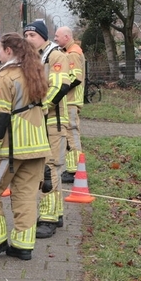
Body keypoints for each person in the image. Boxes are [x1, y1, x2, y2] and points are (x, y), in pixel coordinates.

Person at [0, 32, 51, 261]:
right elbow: (44, 111)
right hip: (36, 145)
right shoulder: (35, 73)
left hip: (11, 147)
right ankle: (22, 245)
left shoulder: (4, 77)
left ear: (9, 51)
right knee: (26, 195)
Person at [23, 19, 72, 239]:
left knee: (48, 169)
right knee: (47, 167)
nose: (27, 39)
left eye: (31, 35)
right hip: (39, 122)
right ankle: (57, 213)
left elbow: (60, 85)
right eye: (25, 35)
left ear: (43, 36)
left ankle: (48, 218)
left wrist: (42, 108)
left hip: (52, 120)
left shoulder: (55, 55)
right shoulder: (33, 57)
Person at [54, 26, 84, 184]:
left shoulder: (72, 53)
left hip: (71, 101)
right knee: (69, 136)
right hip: (70, 100)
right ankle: (73, 168)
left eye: (57, 36)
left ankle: (76, 171)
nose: (55, 38)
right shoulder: (70, 51)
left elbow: (76, 78)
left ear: (66, 37)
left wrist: (61, 89)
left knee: (72, 135)